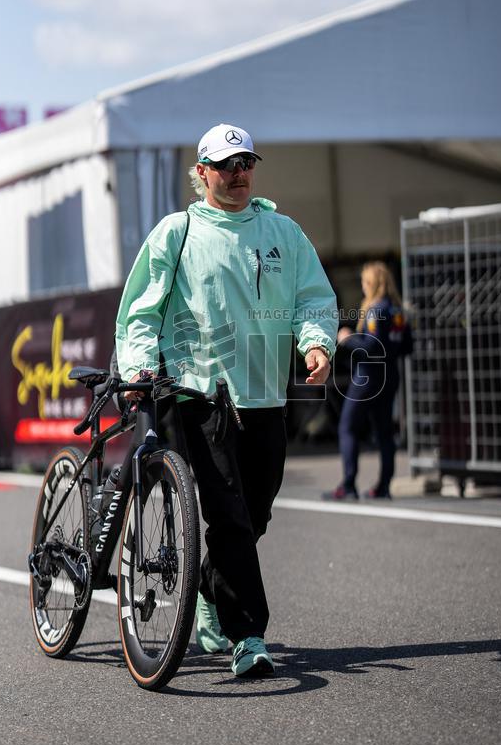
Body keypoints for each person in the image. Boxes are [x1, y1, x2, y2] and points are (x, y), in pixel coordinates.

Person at [115, 123, 337, 678]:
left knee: (255, 511)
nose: (239, 175)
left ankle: (213, 591)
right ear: (202, 174)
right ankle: (249, 636)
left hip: (265, 396)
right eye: (227, 166)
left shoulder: (284, 232)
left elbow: (314, 296)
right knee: (230, 516)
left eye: (247, 164)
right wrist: (139, 362)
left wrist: (315, 341)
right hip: (200, 394)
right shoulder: (178, 231)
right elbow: (141, 309)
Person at [324, 261, 412, 501]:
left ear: (372, 284)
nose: (363, 288)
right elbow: (407, 346)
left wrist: (347, 338)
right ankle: (383, 486)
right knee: (384, 432)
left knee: (348, 427)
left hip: (368, 377)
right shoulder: (397, 310)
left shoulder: (375, 310)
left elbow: (371, 347)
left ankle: (349, 485)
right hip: (390, 375)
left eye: (364, 283)